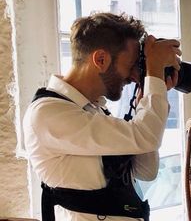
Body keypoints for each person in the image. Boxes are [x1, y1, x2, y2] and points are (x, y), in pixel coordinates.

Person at [23, 12, 182, 221]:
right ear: (100, 59)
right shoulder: (48, 113)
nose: (135, 76)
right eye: (131, 64)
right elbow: (146, 137)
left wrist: (148, 100)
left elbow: (146, 171)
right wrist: (154, 77)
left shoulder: (93, 109)